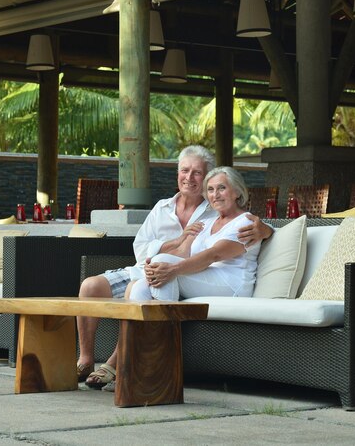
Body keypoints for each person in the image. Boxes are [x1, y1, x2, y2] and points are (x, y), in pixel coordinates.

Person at [77, 146, 272, 390]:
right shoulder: (168, 208)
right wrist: (173, 247)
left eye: (198, 173)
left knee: (145, 284)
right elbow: (142, 248)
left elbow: (210, 253)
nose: (190, 178)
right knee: (97, 286)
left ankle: (132, 363)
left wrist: (267, 230)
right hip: (154, 269)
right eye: (185, 171)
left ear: (235, 192)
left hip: (197, 276)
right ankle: (107, 361)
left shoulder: (218, 214)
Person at [130, 166, 260, 302]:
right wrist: (152, 266)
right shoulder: (206, 223)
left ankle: (165, 321)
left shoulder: (246, 222)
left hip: (232, 284)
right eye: (210, 189)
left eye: (222, 188)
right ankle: (147, 323)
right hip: (206, 276)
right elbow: (183, 252)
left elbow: (214, 254)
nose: (215, 195)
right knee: (140, 285)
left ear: (237, 192)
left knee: (163, 265)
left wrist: (172, 268)